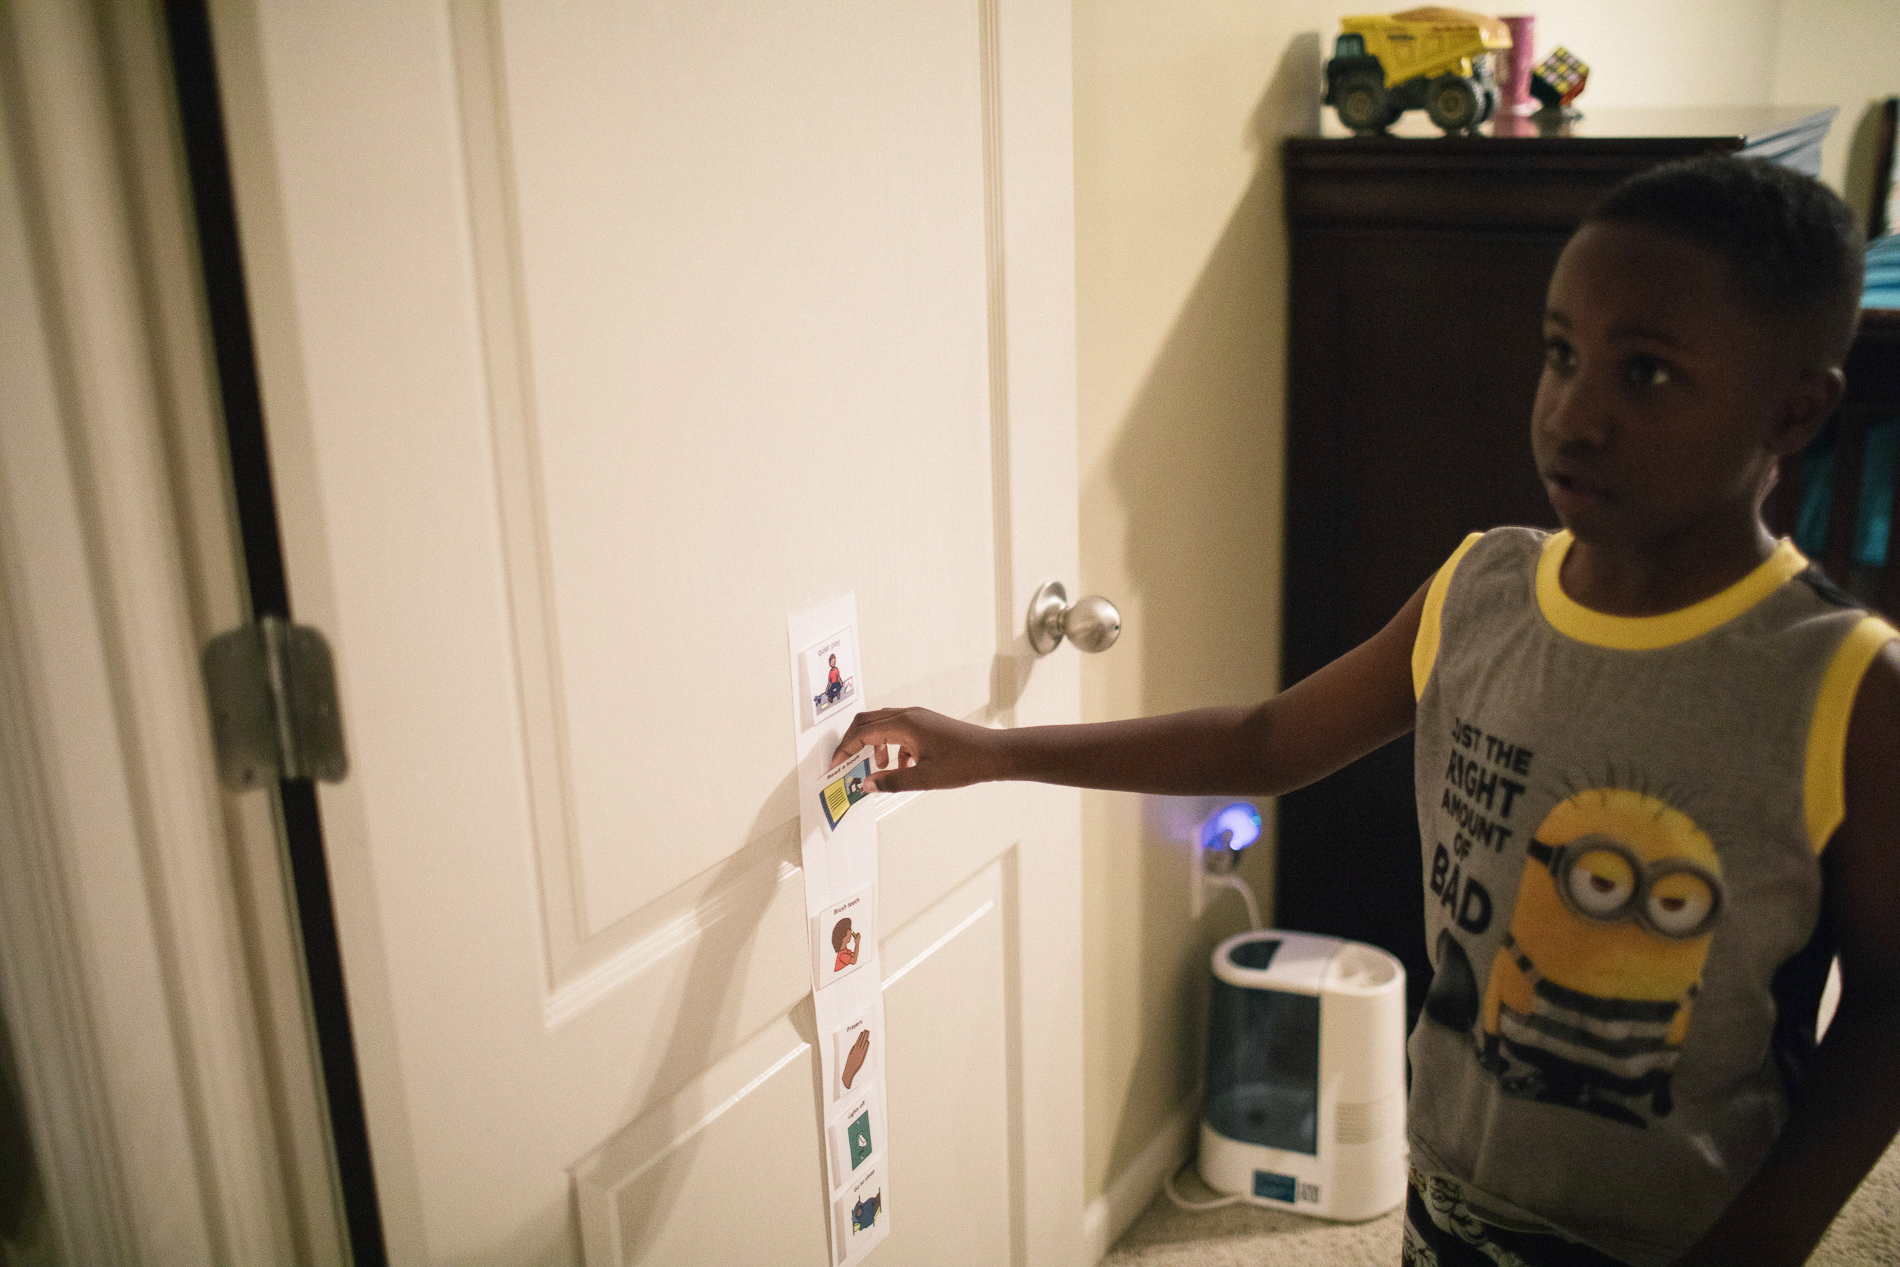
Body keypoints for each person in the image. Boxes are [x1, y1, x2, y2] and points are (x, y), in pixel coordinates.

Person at [830, 156, 1900, 1267]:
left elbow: (1883, 1009)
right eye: (1560, 354)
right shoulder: (1480, 589)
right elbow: (1267, 740)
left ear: (1795, 409)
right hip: (1447, 1198)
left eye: (1647, 374)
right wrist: (988, 750)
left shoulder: (1845, 689)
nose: (1575, 414)